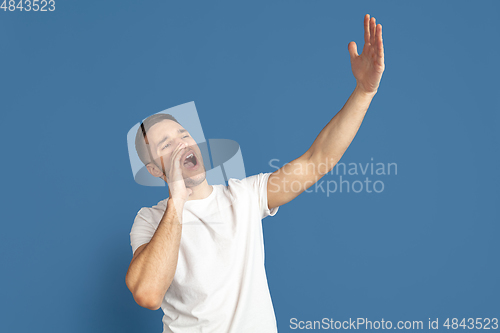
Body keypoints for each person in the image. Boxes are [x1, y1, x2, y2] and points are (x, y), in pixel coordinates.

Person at [125, 13, 385, 333]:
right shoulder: (149, 220)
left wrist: (363, 92)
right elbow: (148, 294)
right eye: (166, 144)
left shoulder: (243, 196)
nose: (180, 145)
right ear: (154, 170)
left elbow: (318, 159)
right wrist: (177, 200)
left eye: (183, 134)